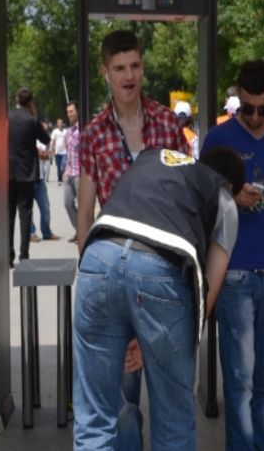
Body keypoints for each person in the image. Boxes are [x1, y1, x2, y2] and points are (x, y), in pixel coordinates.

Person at [73, 146, 243, 450]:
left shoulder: (155, 158)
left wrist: (142, 329)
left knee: (94, 421)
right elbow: (207, 292)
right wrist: (163, 338)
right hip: (162, 266)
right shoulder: (225, 199)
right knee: (173, 426)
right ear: (230, 186)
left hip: (97, 257)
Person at [75, 29, 188, 450]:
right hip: (111, 273)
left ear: (143, 67)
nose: (129, 76)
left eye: (135, 66)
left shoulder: (167, 124)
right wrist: (90, 284)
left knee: (171, 398)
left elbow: (184, 204)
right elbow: (85, 216)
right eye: (119, 68)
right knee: (120, 402)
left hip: (161, 274)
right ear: (105, 73)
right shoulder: (93, 134)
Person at [201, 59, 264, 451]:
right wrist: (229, 193)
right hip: (235, 274)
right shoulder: (216, 140)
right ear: (236, 97)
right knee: (239, 381)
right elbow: (200, 200)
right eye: (248, 108)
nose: (256, 117)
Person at [8, 88, 50, 265]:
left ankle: (8, 255)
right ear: (30, 102)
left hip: (8, 172)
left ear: (17, 99)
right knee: (25, 214)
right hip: (26, 173)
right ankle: (24, 254)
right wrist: (35, 116)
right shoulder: (32, 120)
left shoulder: (6, 117)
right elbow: (46, 139)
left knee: (8, 215)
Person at [29, 129, 59, 242]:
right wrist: (42, 153)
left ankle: (46, 232)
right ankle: (31, 233)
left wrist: (44, 153)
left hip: (40, 179)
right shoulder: (29, 138)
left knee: (45, 207)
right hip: (28, 179)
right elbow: (39, 153)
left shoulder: (41, 142)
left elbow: (46, 156)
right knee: (29, 209)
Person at [63, 101, 80, 243]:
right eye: (68, 112)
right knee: (67, 203)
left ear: (77, 112)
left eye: (71, 111)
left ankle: (83, 233)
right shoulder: (68, 132)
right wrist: (65, 171)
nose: (69, 114)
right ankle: (79, 229)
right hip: (69, 173)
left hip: (81, 173)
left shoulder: (83, 129)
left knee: (83, 206)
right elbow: (68, 152)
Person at [50, 118, 68, 185]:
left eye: (61, 123)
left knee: (63, 165)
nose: (60, 124)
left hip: (64, 152)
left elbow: (69, 140)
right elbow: (52, 140)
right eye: (59, 123)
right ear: (57, 124)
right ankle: (59, 179)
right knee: (58, 167)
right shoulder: (55, 131)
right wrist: (51, 147)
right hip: (57, 152)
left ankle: (62, 176)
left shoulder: (65, 131)